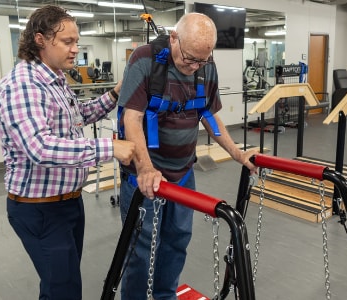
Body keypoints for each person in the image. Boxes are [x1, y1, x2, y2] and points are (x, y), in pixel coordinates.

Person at [0, 5, 135, 299]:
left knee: (63, 285)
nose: (75, 49)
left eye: (76, 41)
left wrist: (115, 93)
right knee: (64, 290)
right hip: (40, 208)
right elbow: (39, 147)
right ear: (40, 40)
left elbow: (78, 115)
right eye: (68, 42)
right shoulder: (23, 85)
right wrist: (110, 147)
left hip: (68, 203)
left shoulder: (55, 80)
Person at [116, 13, 257, 299]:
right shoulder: (144, 60)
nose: (194, 67)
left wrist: (238, 153)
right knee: (141, 250)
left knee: (176, 241)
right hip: (145, 177)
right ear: (173, 39)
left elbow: (209, 115)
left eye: (201, 61)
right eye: (189, 58)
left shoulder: (206, 67)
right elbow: (132, 118)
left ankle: (165, 296)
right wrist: (145, 169)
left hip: (182, 174)